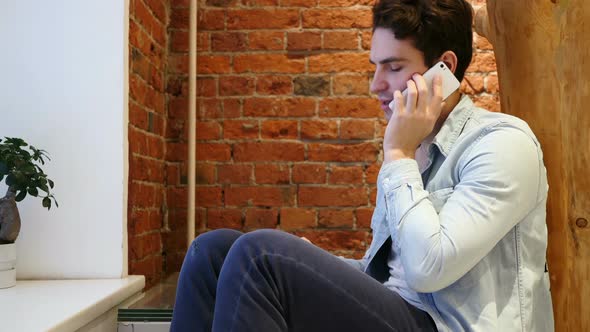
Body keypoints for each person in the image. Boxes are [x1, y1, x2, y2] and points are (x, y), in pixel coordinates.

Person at [170, 0, 554, 330]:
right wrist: (312, 262)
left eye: (393, 67)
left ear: (445, 70)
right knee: (212, 251)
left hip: (447, 327)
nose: (375, 85)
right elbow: (386, 277)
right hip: (401, 314)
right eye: (375, 66)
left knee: (261, 257)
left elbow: (428, 269)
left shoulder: (502, 143)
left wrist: (398, 156)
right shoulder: (412, 148)